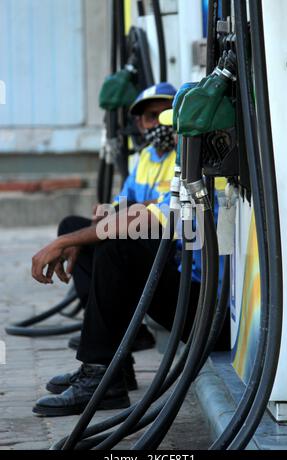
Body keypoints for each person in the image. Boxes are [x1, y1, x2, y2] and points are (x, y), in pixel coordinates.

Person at [31, 82, 198, 417]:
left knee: (114, 242)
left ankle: (102, 373)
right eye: (151, 117)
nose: (159, 123)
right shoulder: (148, 159)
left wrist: (76, 238)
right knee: (90, 232)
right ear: (138, 123)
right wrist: (93, 227)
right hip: (174, 277)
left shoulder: (194, 161)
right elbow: (119, 209)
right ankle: (112, 365)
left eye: (166, 115)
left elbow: (147, 217)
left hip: (204, 304)